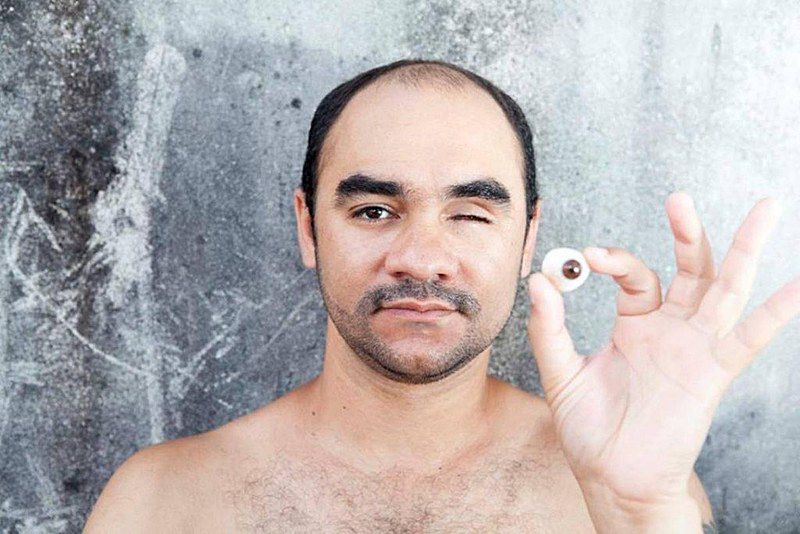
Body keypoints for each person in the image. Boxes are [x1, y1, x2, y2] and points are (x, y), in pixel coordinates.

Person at [85, 58, 797, 533]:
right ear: (308, 227)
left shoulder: (632, 490)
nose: (422, 258)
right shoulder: (161, 504)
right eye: (373, 211)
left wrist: (642, 515)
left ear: (528, 237)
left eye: (470, 214)